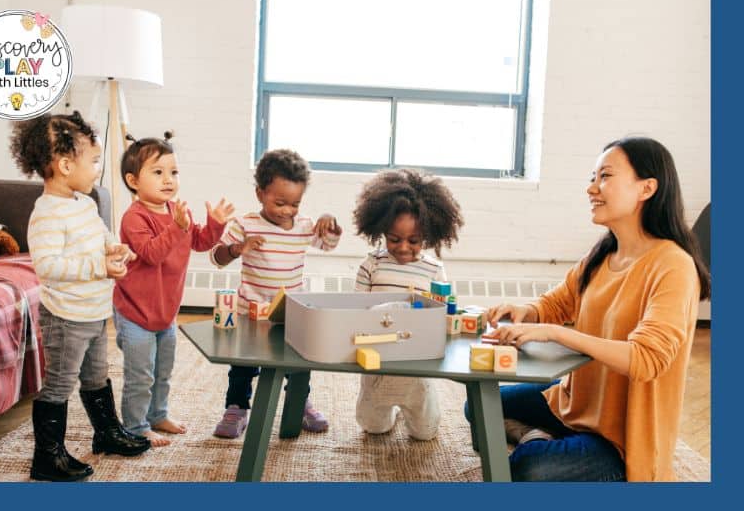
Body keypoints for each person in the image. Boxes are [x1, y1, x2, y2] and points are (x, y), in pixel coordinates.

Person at [470, 136, 711, 481]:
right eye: (592, 177)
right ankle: (544, 441)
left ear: (647, 188)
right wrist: (525, 311)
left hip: (620, 441)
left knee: (529, 468)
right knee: (479, 407)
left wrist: (558, 333)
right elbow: (557, 302)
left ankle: (547, 449)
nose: (591, 188)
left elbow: (646, 359)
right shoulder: (603, 253)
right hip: (571, 406)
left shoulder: (673, 266)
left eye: (605, 177)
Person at [10, 111, 151, 482]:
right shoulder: (47, 214)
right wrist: (99, 266)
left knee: (96, 375)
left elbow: (101, 237)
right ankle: (48, 457)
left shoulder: (84, 203)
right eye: (94, 162)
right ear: (65, 164)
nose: (97, 169)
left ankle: (106, 433)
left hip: (93, 311)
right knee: (60, 382)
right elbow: (48, 266)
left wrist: (116, 249)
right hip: (66, 318)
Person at [210, 149, 342, 438]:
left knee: (297, 363)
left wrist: (330, 222)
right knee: (243, 364)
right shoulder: (244, 224)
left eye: (294, 204)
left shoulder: (305, 226)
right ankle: (236, 408)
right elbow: (217, 258)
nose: (287, 211)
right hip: (251, 312)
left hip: (291, 311)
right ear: (260, 193)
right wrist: (237, 249)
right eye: (279, 202)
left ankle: (299, 404)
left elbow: (328, 244)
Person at [113, 131, 234, 446]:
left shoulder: (177, 212)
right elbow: (152, 253)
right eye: (158, 172)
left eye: (173, 172)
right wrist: (177, 227)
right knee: (141, 375)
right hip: (135, 311)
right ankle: (136, 427)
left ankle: (158, 415)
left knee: (162, 371)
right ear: (133, 180)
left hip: (166, 313)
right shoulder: (133, 218)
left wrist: (216, 224)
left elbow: (200, 241)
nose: (168, 179)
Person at [352, 168, 464, 440]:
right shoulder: (372, 265)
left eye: (413, 241)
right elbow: (354, 310)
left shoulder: (434, 270)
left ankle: (416, 408)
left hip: (417, 365)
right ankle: (388, 411)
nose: (403, 247)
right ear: (381, 230)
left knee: (426, 433)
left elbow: (440, 314)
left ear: (428, 235)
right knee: (374, 427)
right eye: (394, 239)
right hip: (377, 363)